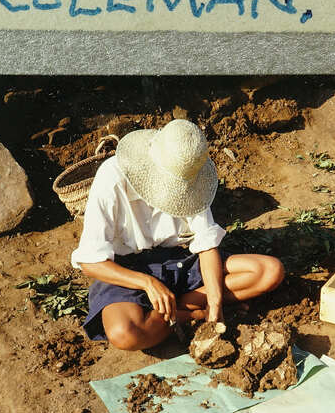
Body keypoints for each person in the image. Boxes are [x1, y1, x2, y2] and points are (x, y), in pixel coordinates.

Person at [72, 119, 284, 350]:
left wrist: (215, 304)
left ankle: (177, 308)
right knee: (125, 334)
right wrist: (148, 283)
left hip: (179, 260)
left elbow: (206, 245)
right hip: (128, 270)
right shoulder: (112, 177)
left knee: (269, 271)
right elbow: (90, 262)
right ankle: (190, 313)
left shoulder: (191, 176)